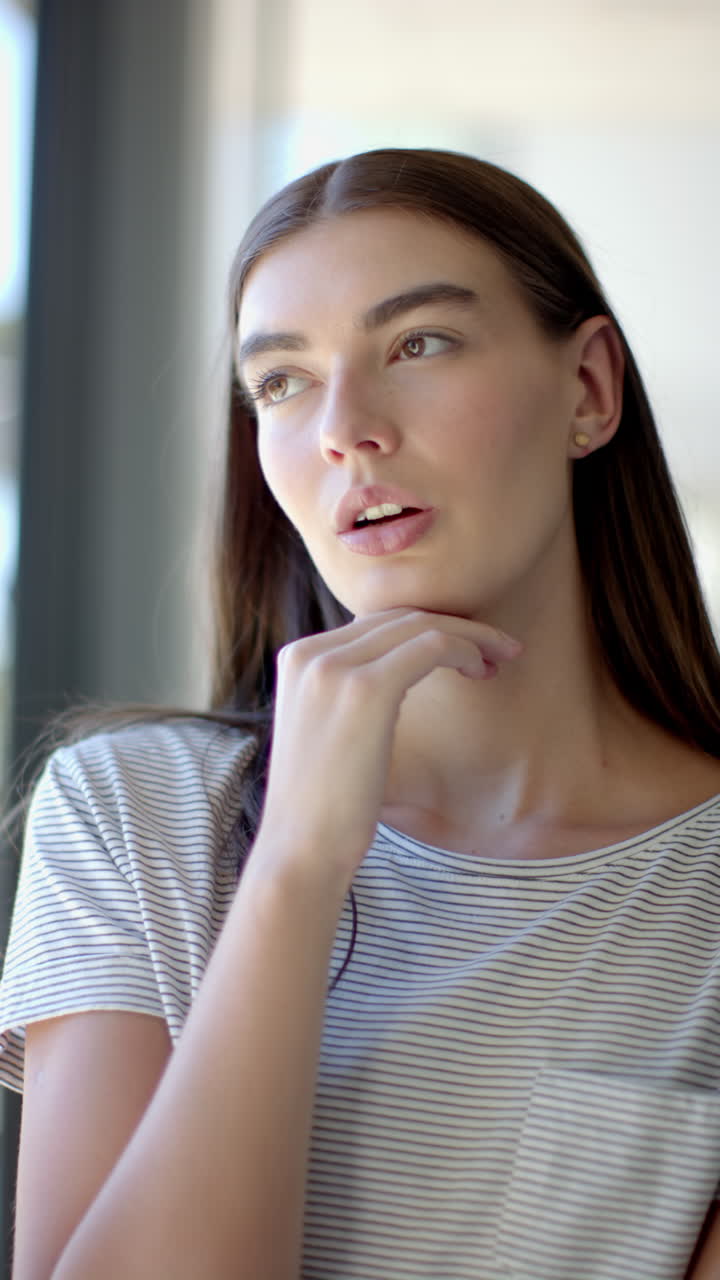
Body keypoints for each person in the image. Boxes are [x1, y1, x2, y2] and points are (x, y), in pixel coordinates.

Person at [1, 146, 720, 1280]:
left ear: (588, 390)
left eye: (417, 343)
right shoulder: (130, 812)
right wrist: (295, 860)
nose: (346, 427)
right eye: (282, 379)